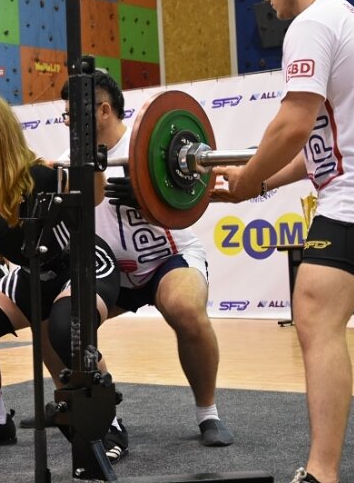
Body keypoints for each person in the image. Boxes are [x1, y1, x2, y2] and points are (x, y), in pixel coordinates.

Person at [214, 0, 354, 481]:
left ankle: (321, 473)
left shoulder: (311, 23)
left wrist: (246, 183)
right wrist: (257, 180)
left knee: (313, 314)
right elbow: (316, 146)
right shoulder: (350, 21)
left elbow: (292, 125)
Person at [0, 91, 126, 463]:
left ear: (0, 139)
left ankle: (111, 424)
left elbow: (92, 196)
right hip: (33, 272)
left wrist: (88, 161)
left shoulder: (40, 174)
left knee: (64, 330)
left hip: (82, 263)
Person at [58, 71, 234, 447]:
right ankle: (100, 416)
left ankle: (208, 413)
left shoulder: (153, 148)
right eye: (66, 115)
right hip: (111, 275)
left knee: (185, 309)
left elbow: (193, 198)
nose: (68, 122)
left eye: (73, 113)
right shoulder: (67, 163)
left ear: (103, 110)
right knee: (58, 325)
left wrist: (151, 198)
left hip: (166, 260)